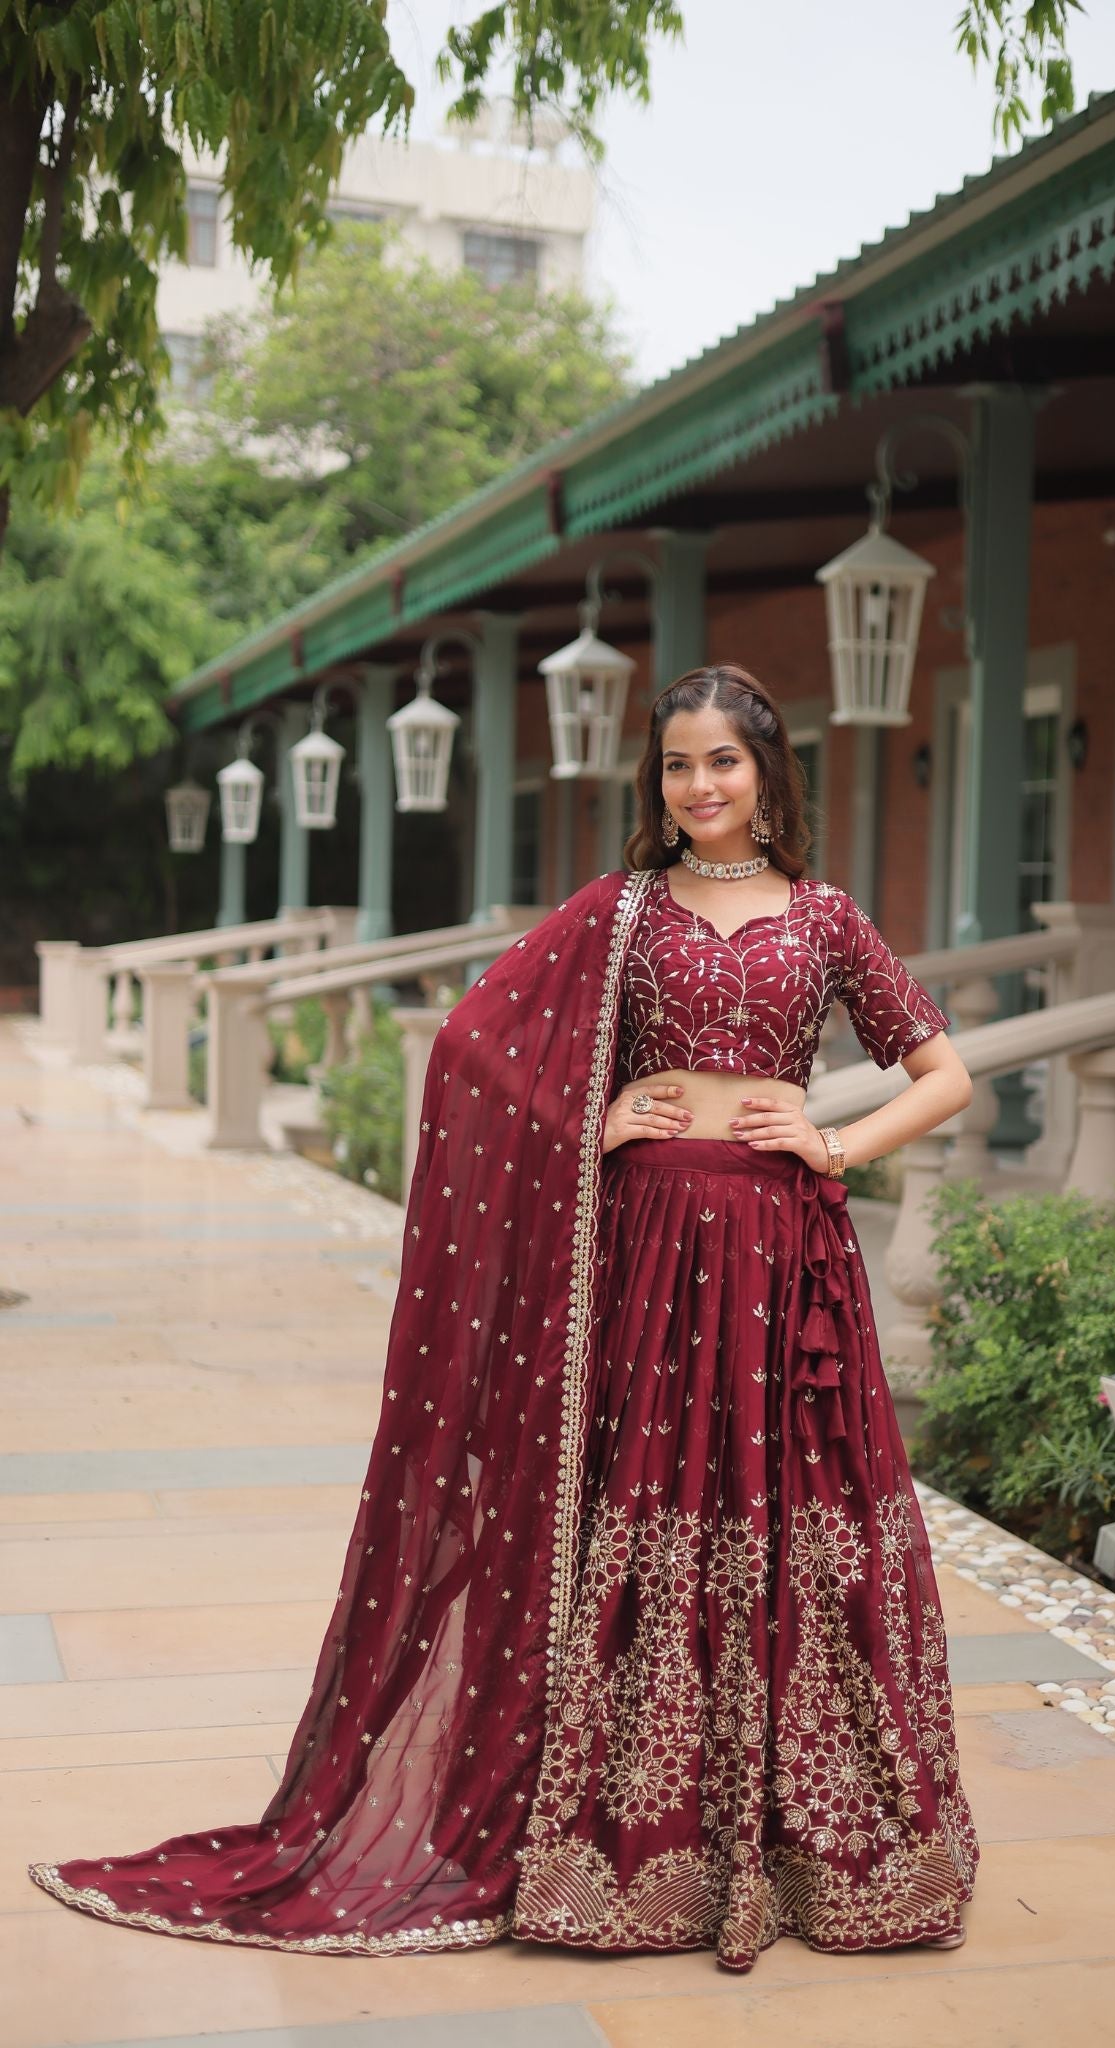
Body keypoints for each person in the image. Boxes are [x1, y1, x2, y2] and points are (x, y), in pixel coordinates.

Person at [29, 662, 981, 1972]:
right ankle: (628, 1844)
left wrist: (835, 1141)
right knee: (639, 1511)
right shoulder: (622, 911)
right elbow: (472, 1044)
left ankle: (792, 1843)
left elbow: (945, 1073)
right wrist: (592, 1120)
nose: (699, 787)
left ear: (768, 771)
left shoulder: (824, 920)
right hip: (646, 1249)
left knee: (780, 1520)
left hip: (777, 1251)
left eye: (723, 762)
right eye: (677, 766)